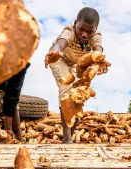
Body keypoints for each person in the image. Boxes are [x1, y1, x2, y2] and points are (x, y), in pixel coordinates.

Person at [44, 7, 111, 143]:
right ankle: (67, 138)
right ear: (76, 23)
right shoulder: (69, 31)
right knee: (67, 91)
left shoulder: (96, 37)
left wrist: (101, 60)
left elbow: (97, 51)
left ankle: (70, 134)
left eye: (89, 31)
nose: (85, 34)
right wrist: (55, 51)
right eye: (81, 29)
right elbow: (60, 43)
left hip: (77, 64)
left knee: (80, 95)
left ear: (95, 29)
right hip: (59, 58)